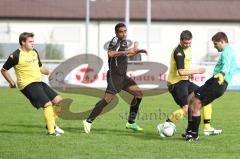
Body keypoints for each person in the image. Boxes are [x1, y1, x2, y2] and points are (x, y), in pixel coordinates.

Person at [82, 22, 147, 133]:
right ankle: (88, 121)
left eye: (125, 31)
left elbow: (125, 55)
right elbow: (111, 54)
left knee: (139, 94)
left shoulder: (124, 42)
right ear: (117, 33)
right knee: (107, 100)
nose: (124, 34)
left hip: (123, 77)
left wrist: (137, 51)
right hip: (114, 76)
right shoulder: (115, 40)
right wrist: (126, 51)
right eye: (121, 32)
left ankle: (130, 122)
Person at [159, 30, 221, 137]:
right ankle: (166, 125)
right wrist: (197, 71)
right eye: (185, 43)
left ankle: (207, 128)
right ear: (180, 41)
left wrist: (189, 74)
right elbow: (181, 71)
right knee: (186, 108)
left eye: (189, 43)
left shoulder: (188, 49)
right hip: (176, 84)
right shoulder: (179, 52)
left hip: (185, 82)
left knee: (205, 98)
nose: (187, 45)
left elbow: (185, 69)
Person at [1, 32, 64, 136]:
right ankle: (51, 132)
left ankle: (50, 123)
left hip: (38, 82)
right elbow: (4, 70)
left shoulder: (34, 52)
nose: (33, 43)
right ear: (23, 42)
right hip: (27, 85)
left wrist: (49, 73)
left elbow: (40, 67)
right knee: (47, 104)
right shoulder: (15, 55)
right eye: (30, 41)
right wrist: (11, 82)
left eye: (33, 41)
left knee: (59, 101)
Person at [185, 32, 239, 142]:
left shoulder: (227, 52)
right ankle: (189, 131)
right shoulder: (229, 51)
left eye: (216, 44)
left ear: (223, 42)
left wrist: (222, 74)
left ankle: (194, 135)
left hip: (218, 83)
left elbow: (226, 65)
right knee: (191, 98)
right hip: (213, 81)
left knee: (195, 104)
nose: (214, 46)